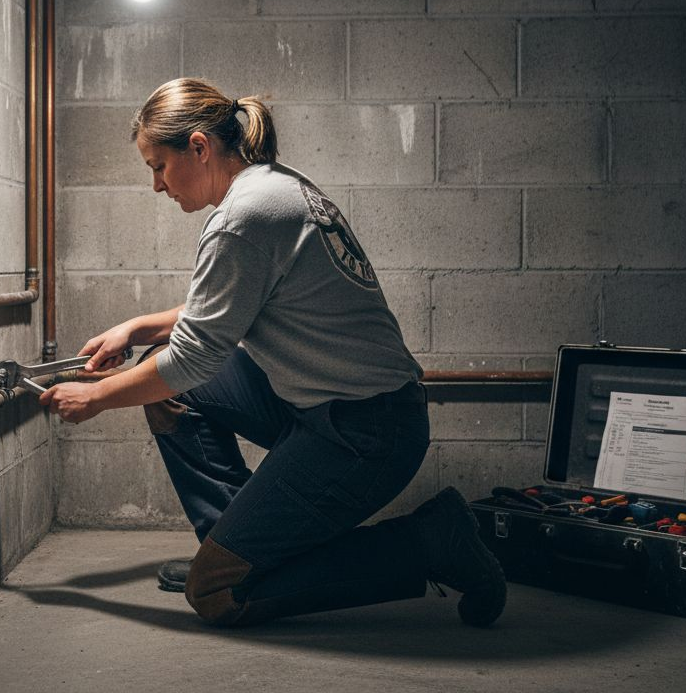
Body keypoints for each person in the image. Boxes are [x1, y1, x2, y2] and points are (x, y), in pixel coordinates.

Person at [39, 78, 506, 627]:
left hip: (367, 433)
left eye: (158, 166)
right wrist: (137, 327)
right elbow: (229, 304)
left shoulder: (243, 218)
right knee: (172, 388)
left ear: (198, 146)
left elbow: (193, 358)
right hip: (333, 407)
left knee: (214, 593)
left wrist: (94, 397)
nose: (157, 186)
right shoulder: (274, 187)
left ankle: (429, 541)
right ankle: (237, 547)